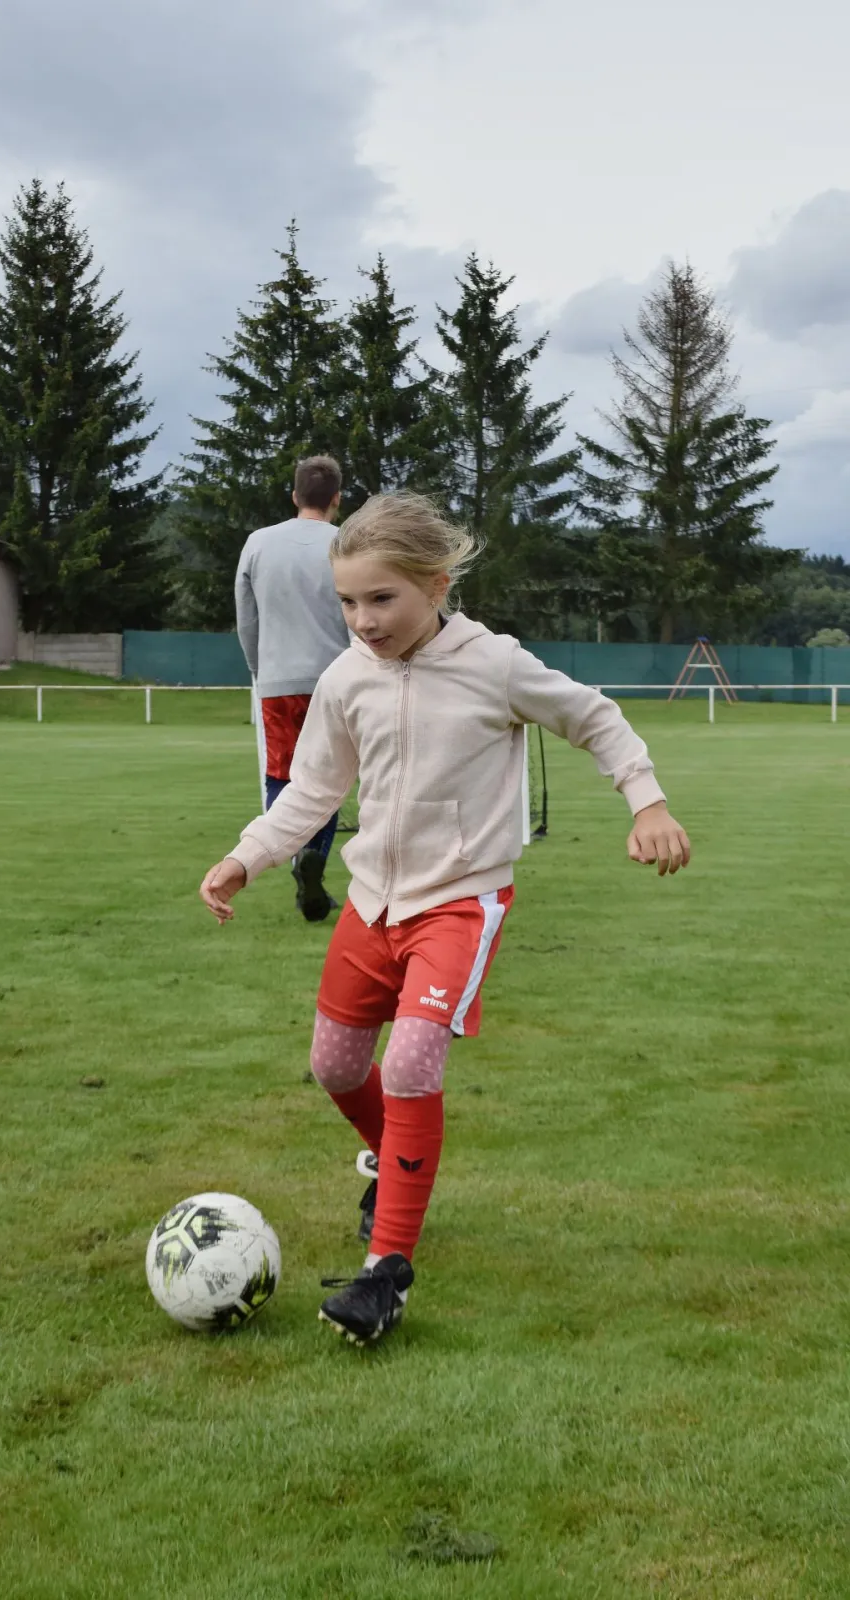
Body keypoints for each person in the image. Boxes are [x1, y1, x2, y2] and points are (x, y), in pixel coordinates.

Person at [202, 493, 691, 1347]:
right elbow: (313, 791)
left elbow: (595, 717)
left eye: (381, 598)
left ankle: (384, 1274)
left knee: (410, 1066)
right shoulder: (344, 678)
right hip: (371, 905)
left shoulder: (493, 664)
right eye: (347, 602)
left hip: (461, 901)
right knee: (333, 1065)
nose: (363, 620)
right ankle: (397, 1165)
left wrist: (646, 801)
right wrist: (248, 856)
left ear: (436, 585)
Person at [235, 455, 350, 922]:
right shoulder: (346, 544)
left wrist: (259, 669)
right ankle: (314, 857)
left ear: (295, 496)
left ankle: (294, 856)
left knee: (281, 775)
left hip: (278, 681)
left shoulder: (258, 543)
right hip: (337, 680)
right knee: (330, 776)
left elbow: (246, 616)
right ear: (336, 498)